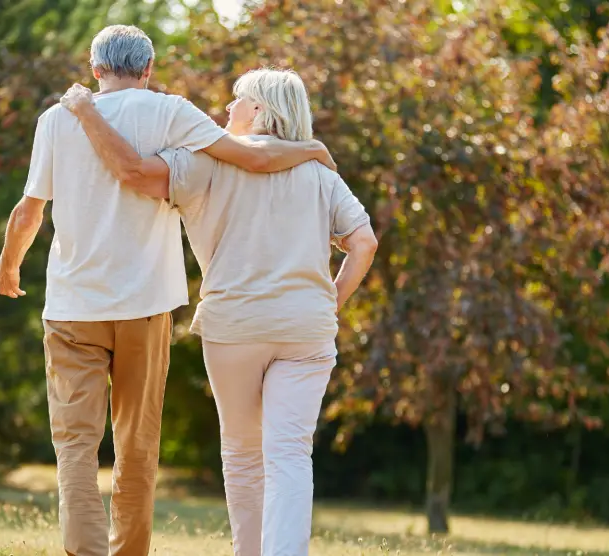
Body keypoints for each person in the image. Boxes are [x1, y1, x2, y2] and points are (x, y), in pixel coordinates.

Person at [0, 26, 336, 556]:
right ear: (148, 68)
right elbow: (255, 158)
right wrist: (312, 148)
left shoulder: (56, 120)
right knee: (137, 446)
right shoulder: (171, 112)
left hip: (73, 309)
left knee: (75, 447)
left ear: (94, 67)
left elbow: (29, 210)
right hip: (145, 308)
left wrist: (8, 267)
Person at [58, 68, 378, 556]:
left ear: (259, 110)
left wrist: (87, 115)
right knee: (291, 454)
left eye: (237, 101)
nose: (226, 110)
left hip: (235, 328)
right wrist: (329, 303)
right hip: (307, 330)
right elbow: (364, 243)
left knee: (244, 454)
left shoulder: (204, 165)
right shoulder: (320, 174)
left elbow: (138, 175)